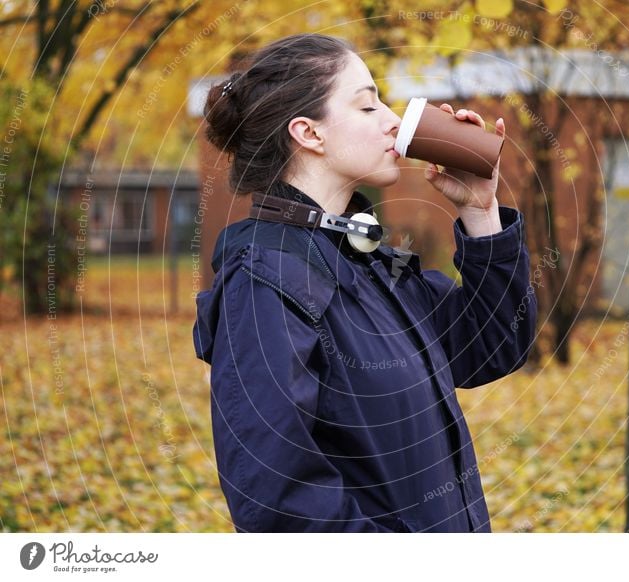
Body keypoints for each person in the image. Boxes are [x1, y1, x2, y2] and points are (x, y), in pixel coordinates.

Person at [193, 33, 536, 532]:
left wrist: (480, 212)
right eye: (368, 106)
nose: (394, 121)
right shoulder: (262, 280)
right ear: (309, 134)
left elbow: (490, 347)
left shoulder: (366, 261)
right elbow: (277, 500)